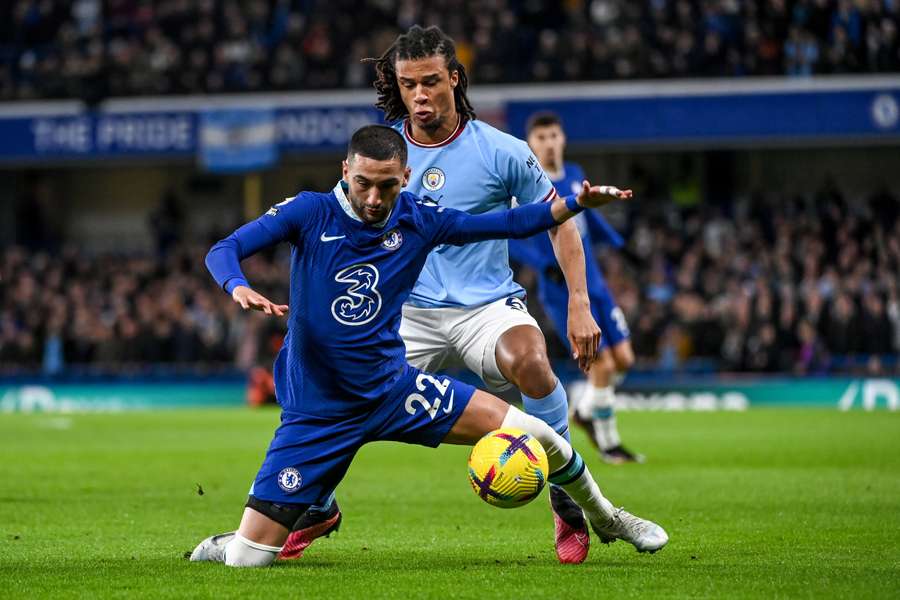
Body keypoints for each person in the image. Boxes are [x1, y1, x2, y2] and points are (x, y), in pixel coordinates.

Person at [189, 124, 667, 567]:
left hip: (393, 390)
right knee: (247, 561)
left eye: (388, 186)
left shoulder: (419, 220)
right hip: (319, 411)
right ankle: (272, 526)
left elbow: (510, 223)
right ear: (346, 171)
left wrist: (573, 205)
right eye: (363, 184)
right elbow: (223, 249)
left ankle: (606, 518)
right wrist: (236, 285)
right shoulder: (310, 212)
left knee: (538, 433)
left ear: (407, 177)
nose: (375, 198)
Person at [285, 25, 603, 566]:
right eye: (408, 86)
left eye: (431, 82)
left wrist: (579, 302)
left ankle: (567, 504)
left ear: (454, 79)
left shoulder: (502, 151)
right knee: (333, 390)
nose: (420, 96)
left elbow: (558, 221)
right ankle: (317, 505)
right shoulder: (383, 155)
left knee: (531, 362)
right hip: (404, 312)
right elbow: (336, 227)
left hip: (485, 306)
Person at [509, 112, 643, 465]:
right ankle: (610, 443)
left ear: (563, 139)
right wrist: (543, 266)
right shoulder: (526, 189)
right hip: (560, 290)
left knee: (624, 359)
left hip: (593, 282)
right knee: (603, 364)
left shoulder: (574, 174)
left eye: (554, 135)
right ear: (530, 145)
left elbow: (588, 219)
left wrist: (619, 244)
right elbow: (512, 237)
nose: (549, 143)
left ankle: (584, 411)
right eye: (541, 138)